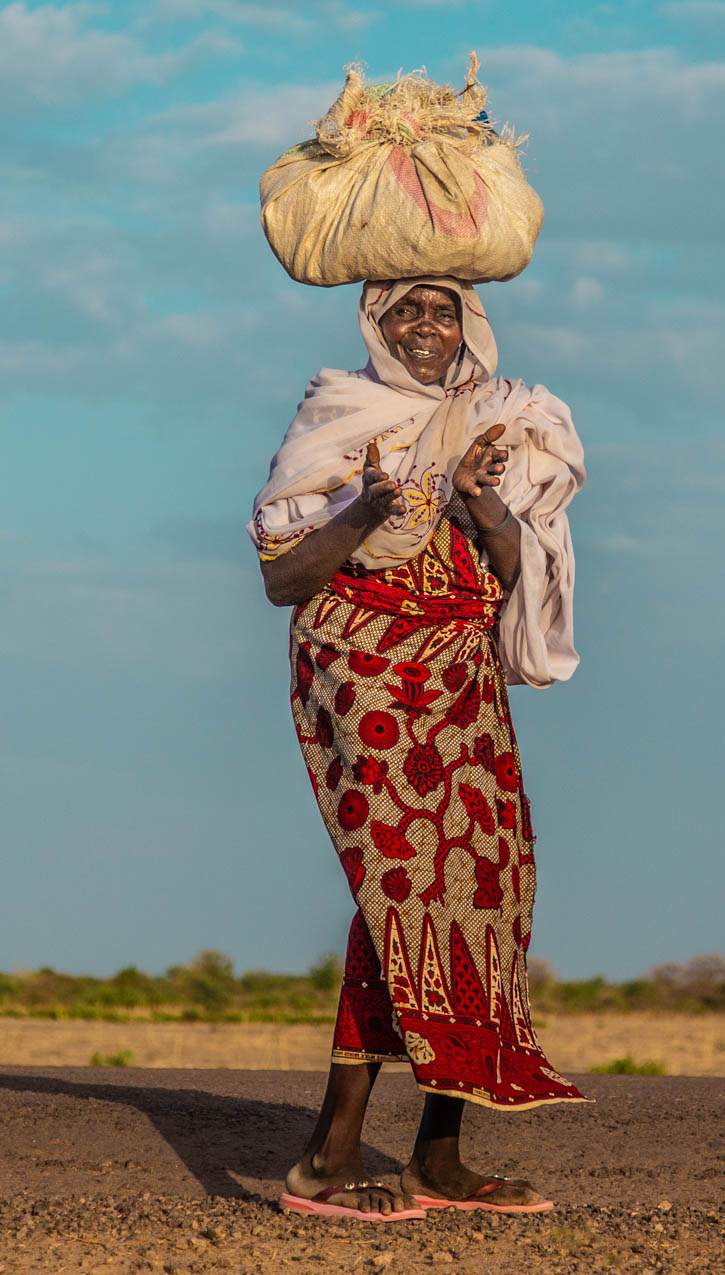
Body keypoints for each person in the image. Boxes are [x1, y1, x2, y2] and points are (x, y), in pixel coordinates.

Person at [248, 276, 589, 1222]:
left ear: (468, 323)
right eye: (405, 312)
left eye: (443, 311)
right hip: (364, 669)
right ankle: (326, 1159)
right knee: (399, 886)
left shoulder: (502, 422)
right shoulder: (344, 415)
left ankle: (438, 1158)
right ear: (376, 325)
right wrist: (366, 508)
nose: (425, 327)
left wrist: (481, 504)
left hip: (461, 678)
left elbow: (518, 572)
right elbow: (284, 580)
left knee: (485, 884)